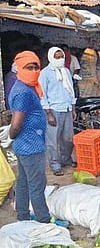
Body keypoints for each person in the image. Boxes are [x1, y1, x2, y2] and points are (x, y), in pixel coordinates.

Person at [1, 51, 50, 223]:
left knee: (23, 182)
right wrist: (12, 135)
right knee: (37, 185)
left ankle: (23, 215)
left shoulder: (28, 85)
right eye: (29, 67)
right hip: (30, 145)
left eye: (36, 66)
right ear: (20, 68)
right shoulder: (23, 91)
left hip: (26, 144)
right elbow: (17, 123)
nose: (34, 70)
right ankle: (44, 220)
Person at [39, 46, 77, 176]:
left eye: (62, 57)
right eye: (57, 57)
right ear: (51, 57)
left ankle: (66, 159)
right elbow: (42, 94)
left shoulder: (66, 71)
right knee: (52, 140)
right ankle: (55, 164)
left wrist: (73, 108)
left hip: (66, 108)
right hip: (53, 110)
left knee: (68, 138)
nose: (60, 59)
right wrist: (48, 114)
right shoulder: (45, 73)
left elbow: (71, 90)